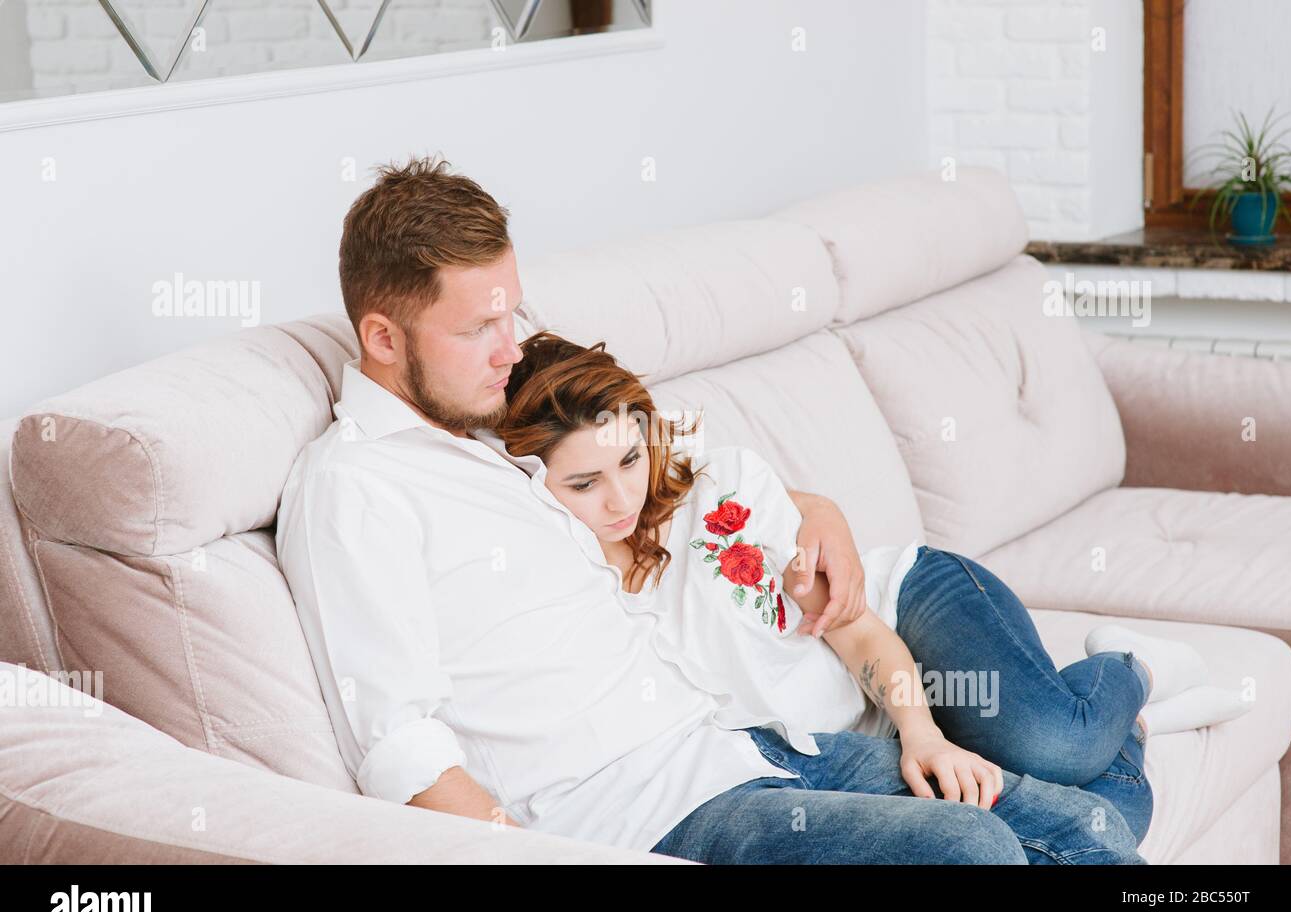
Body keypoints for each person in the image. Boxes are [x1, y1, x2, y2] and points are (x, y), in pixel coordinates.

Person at [276, 155, 1146, 864]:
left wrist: (817, 511)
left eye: (514, 315)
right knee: (977, 853)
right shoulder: (356, 487)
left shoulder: (493, 427)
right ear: (383, 338)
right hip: (641, 811)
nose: (510, 351)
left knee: (1086, 830)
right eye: (477, 330)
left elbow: (685, 478)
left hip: (747, 738)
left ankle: (1123, 724)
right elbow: (399, 743)